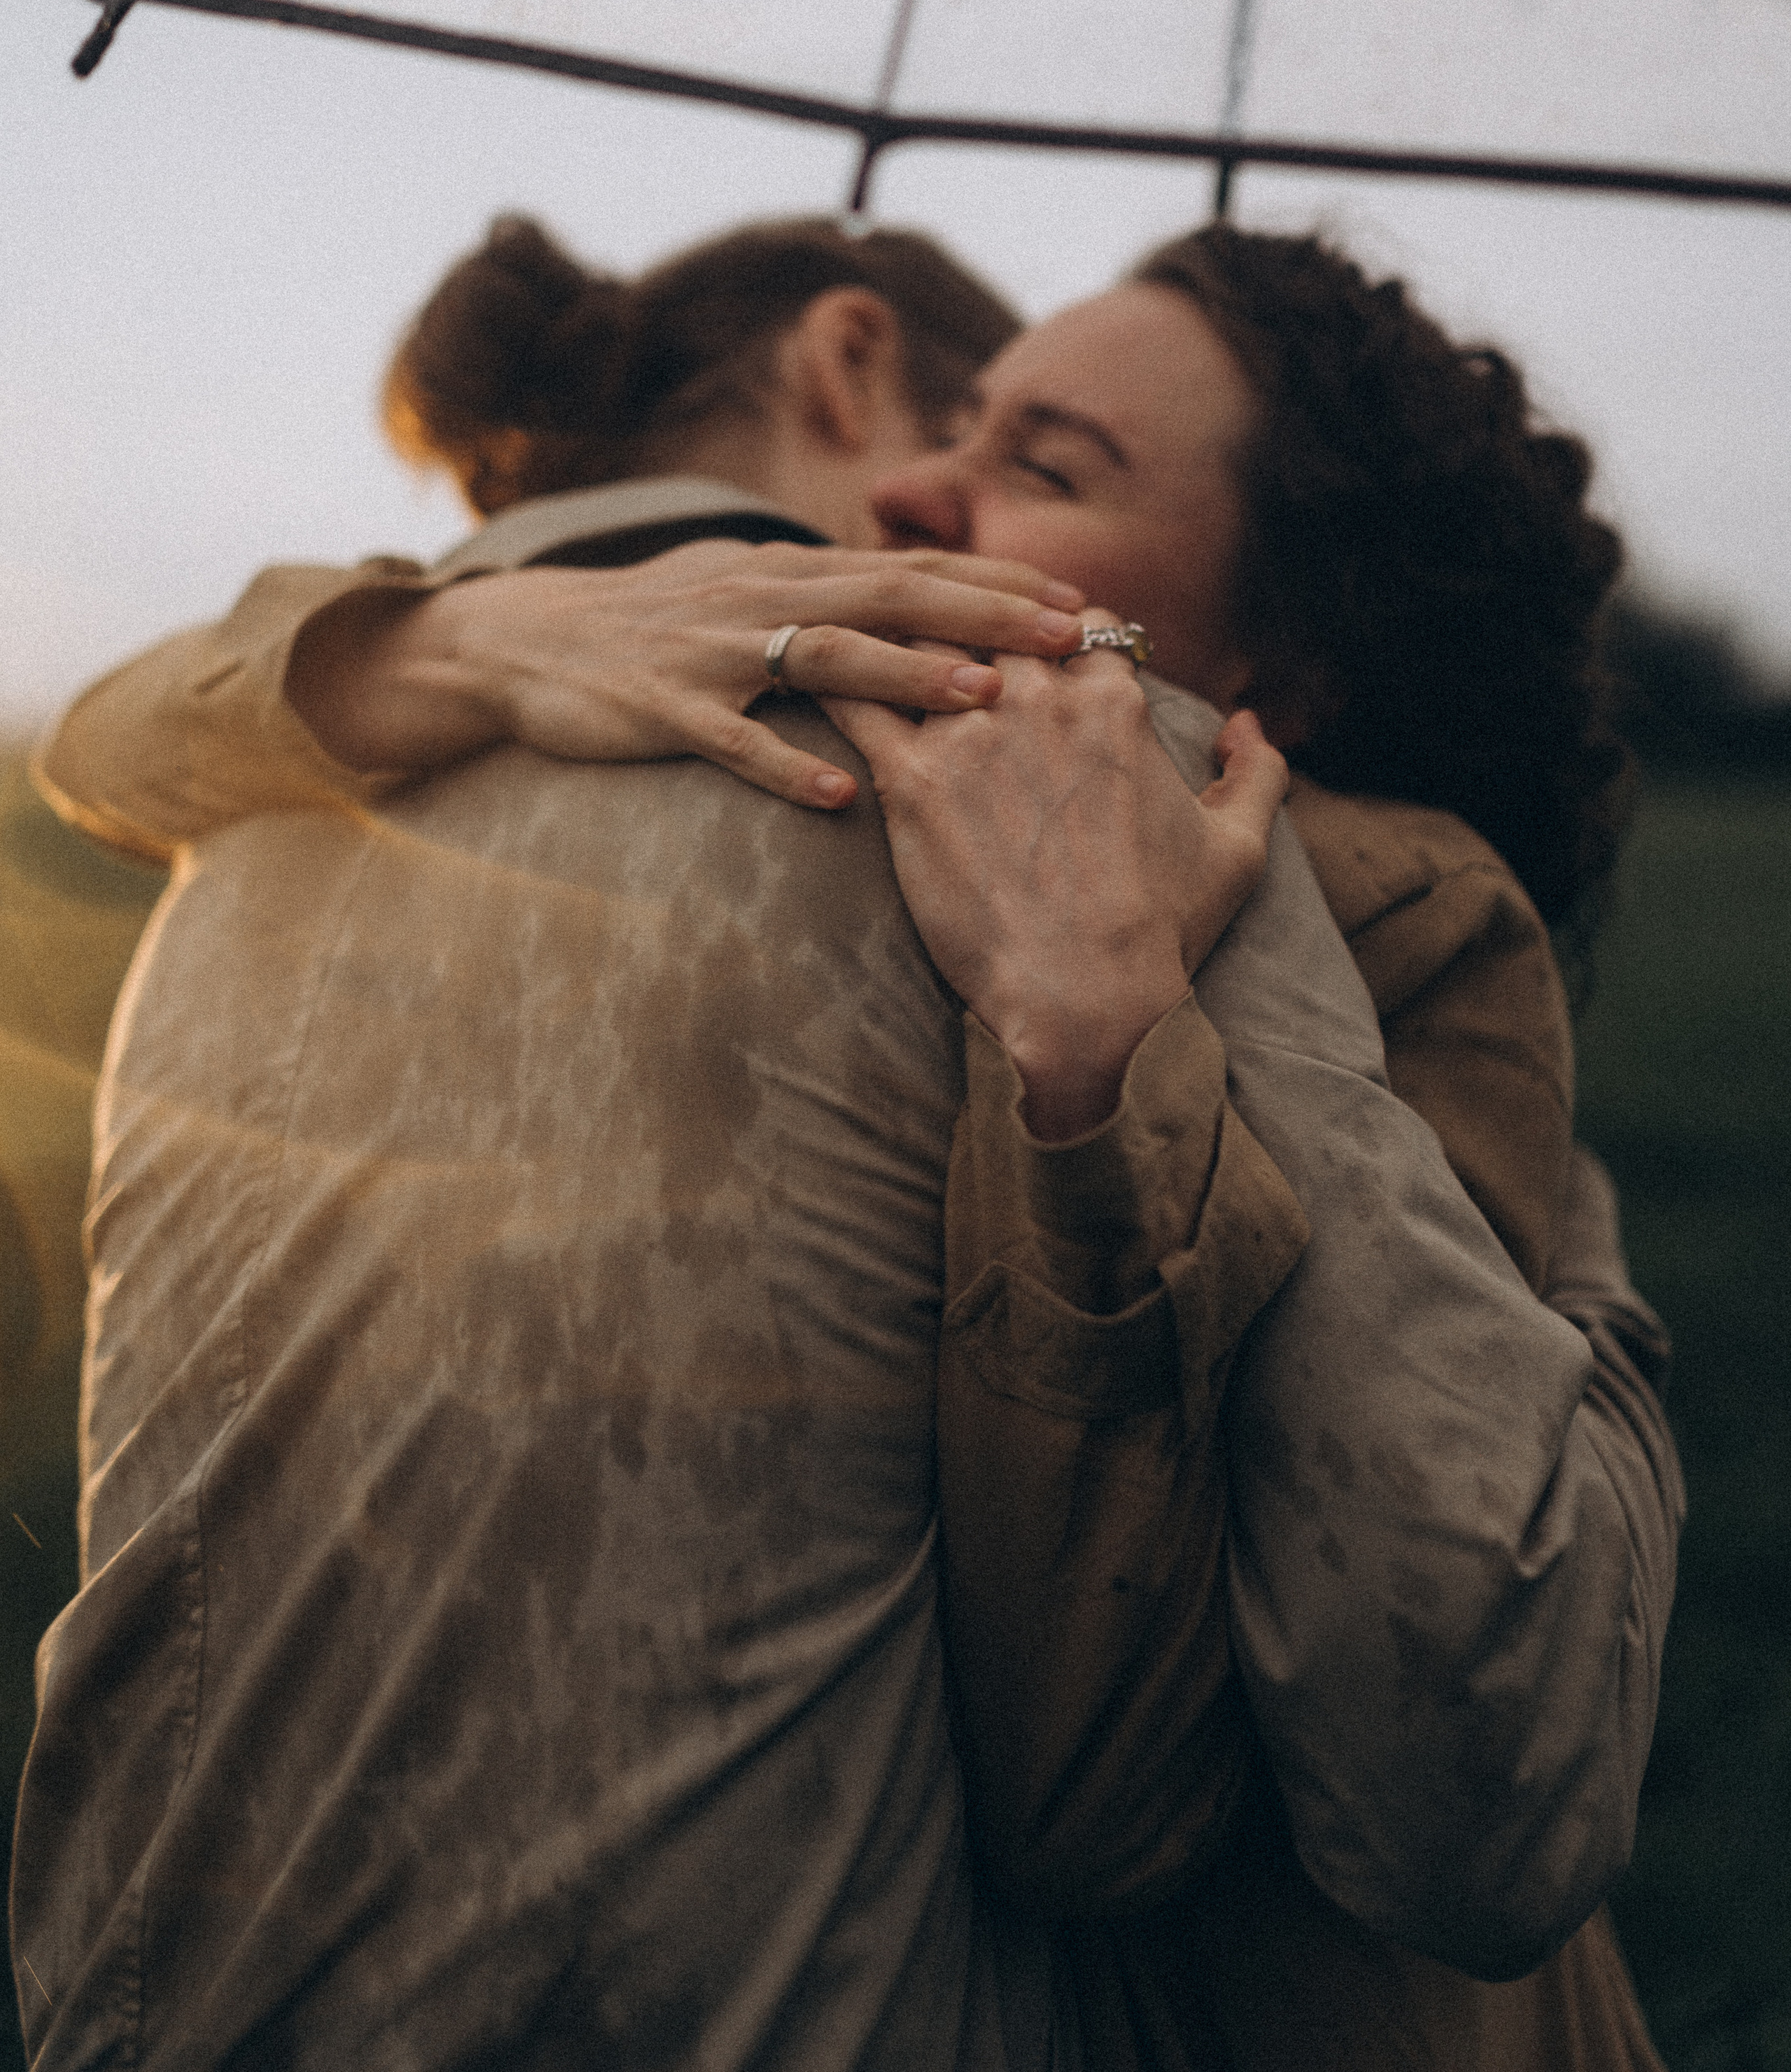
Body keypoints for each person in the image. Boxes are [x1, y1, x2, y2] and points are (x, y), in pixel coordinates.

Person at [24, 216, 1680, 2069]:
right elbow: (1105, 1804)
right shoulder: (628, 718)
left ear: (1295, 674)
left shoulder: (292, 810)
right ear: (840, 357)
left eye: (1033, 462)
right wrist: (452, 636)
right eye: (961, 425)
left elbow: (1441, 1737)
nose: (906, 492)